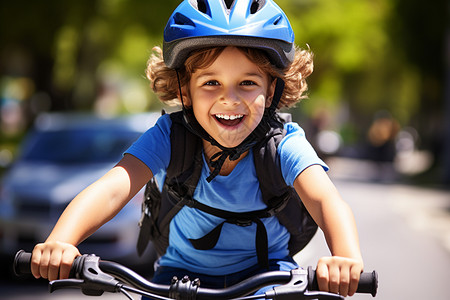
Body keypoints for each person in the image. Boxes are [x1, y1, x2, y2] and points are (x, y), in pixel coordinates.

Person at [30, 0, 364, 297]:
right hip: (176, 281)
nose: (229, 98)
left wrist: (346, 257)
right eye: (210, 82)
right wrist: (61, 240)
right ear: (185, 91)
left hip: (269, 280)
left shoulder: (283, 144)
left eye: (248, 82)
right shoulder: (170, 137)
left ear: (272, 88)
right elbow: (112, 188)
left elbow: (326, 201)